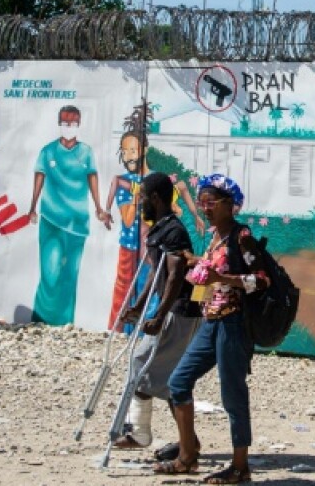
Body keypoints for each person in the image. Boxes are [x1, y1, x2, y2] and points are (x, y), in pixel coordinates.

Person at [155, 174, 268, 482]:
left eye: (211, 203)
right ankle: (187, 456)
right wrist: (196, 264)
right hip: (211, 322)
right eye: (201, 202)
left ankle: (240, 467)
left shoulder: (242, 237)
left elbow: (261, 280)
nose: (205, 208)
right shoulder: (215, 236)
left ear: (229, 205)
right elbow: (210, 276)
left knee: (233, 395)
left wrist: (222, 279)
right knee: (178, 382)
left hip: (233, 325)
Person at [111, 172, 202, 453]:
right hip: (174, 310)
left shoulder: (173, 231)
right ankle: (184, 441)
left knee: (145, 364)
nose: (139, 203)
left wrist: (160, 315)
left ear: (155, 198)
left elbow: (175, 275)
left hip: (180, 311)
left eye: (142, 198)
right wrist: (138, 306)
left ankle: (144, 434)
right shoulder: (160, 229)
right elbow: (156, 272)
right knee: (161, 372)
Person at [26, 105, 109, 325]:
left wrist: (99, 207)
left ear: (78, 125)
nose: (69, 127)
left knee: (70, 276)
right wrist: (32, 207)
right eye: (65, 123)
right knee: (50, 273)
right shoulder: (48, 151)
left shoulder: (86, 152)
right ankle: (42, 319)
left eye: (73, 123)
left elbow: (92, 177)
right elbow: (39, 177)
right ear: (59, 124)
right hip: (51, 219)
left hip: (78, 223)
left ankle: (64, 322)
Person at [104, 130, 148, 332]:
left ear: (144, 150)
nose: (128, 156)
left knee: (146, 289)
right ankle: (119, 331)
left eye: (133, 150)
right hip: (129, 246)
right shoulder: (123, 182)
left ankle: (142, 330)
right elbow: (129, 221)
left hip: (149, 247)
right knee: (124, 288)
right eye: (124, 151)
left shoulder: (154, 179)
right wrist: (136, 200)